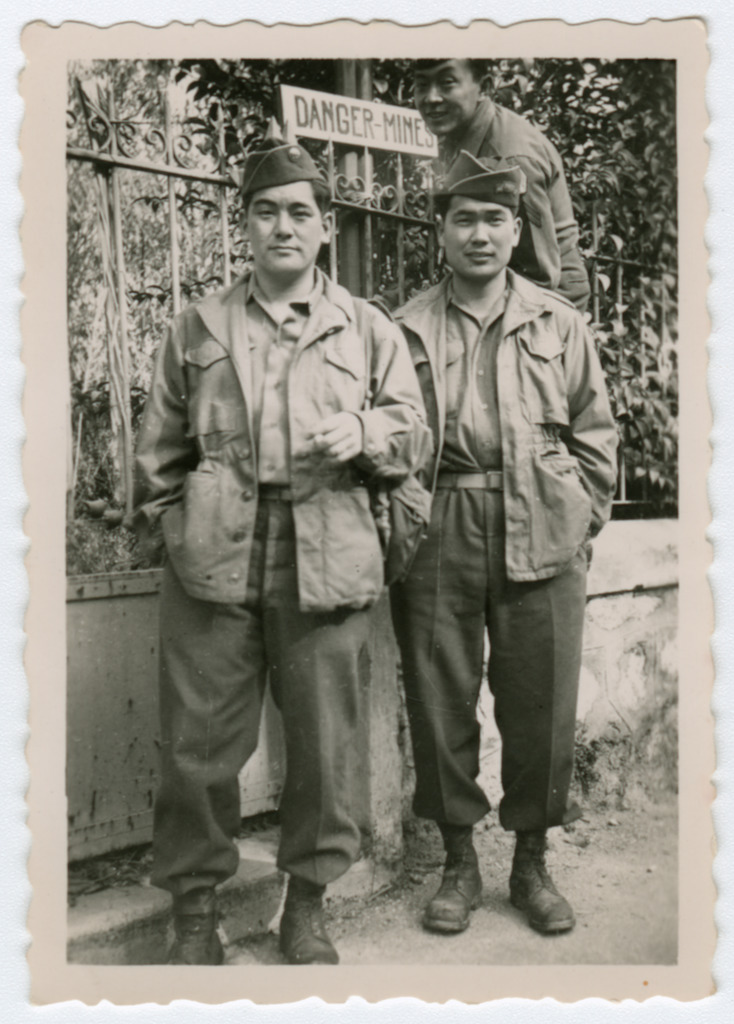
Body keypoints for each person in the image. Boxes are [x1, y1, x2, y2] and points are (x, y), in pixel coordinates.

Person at [133, 138, 431, 965]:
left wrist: (366, 429)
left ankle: (307, 906)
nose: (282, 226)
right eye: (265, 211)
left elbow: (413, 434)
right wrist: (177, 527)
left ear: (326, 227)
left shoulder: (366, 328)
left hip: (328, 554)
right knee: (196, 750)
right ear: (246, 226)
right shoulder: (198, 326)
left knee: (325, 748)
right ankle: (195, 914)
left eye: (299, 211)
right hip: (214, 564)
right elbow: (158, 457)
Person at [391, 152, 617, 937]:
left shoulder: (560, 321)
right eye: (464, 219)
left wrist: (582, 518)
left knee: (540, 703)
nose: (480, 234)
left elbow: (595, 430)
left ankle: (531, 861)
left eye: (494, 219)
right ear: (442, 232)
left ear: (517, 231)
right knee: (438, 695)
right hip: (441, 521)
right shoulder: (405, 328)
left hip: (543, 521)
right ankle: (459, 860)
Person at [413, 58, 591, 311]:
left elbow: (541, 278)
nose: (431, 98)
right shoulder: (462, 132)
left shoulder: (509, 157)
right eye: (422, 85)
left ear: (484, 87)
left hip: (548, 308)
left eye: (447, 83)